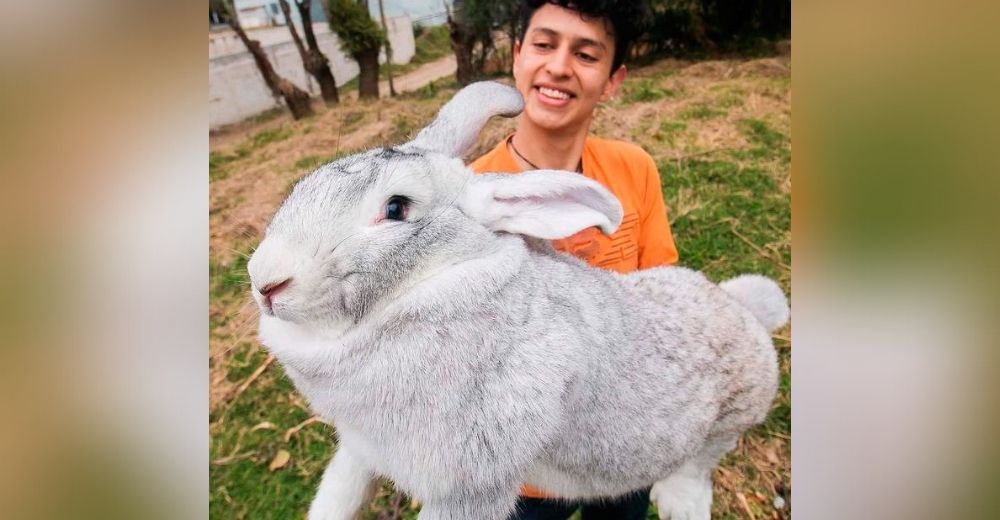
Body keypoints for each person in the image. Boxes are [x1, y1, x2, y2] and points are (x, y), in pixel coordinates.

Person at [468, 1, 679, 518]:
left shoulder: (634, 170)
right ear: (517, 57)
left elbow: (661, 303)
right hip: (526, 473)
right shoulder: (471, 200)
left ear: (612, 80)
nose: (559, 66)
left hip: (624, 447)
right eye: (544, 44)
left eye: (586, 54)